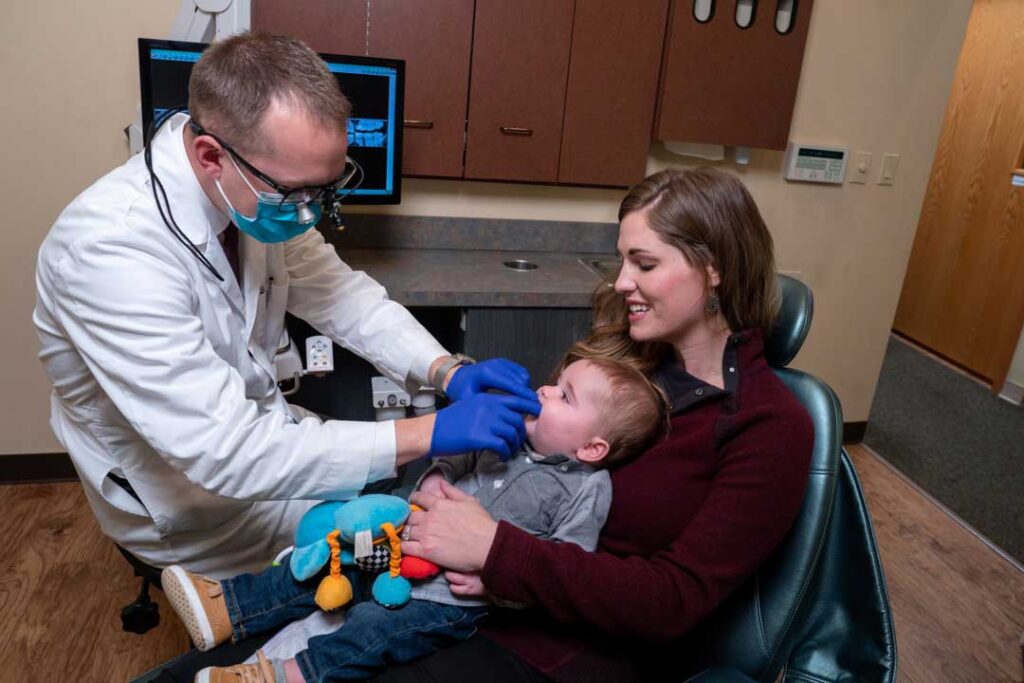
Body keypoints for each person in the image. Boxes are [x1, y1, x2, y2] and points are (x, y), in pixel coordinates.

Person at [31, 32, 538, 578]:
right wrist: (427, 433)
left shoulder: (255, 190)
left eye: (325, 190)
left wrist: (444, 370)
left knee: (390, 525)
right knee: (381, 562)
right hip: (185, 499)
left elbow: (343, 296)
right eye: (296, 194)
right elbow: (226, 450)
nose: (310, 214)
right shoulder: (108, 251)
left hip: (262, 445)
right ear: (211, 157)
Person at [372, 167, 817, 682]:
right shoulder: (624, 362)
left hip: (577, 653)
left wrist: (494, 550)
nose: (622, 281)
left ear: (713, 269)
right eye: (623, 259)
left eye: (644, 263)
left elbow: (673, 600)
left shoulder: (769, 427)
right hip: (477, 600)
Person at [159, 356, 668, 682]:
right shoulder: (509, 436)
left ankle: (283, 675)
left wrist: (495, 581)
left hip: (446, 596)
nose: (544, 391)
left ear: (592, 446)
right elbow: (454, 459)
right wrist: (431, 478)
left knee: (372, 628)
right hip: (402, 544)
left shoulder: (587, 488)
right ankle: (228, 605)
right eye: (555, 382)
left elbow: (563, 564)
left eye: (565, 396)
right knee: (330, 558)